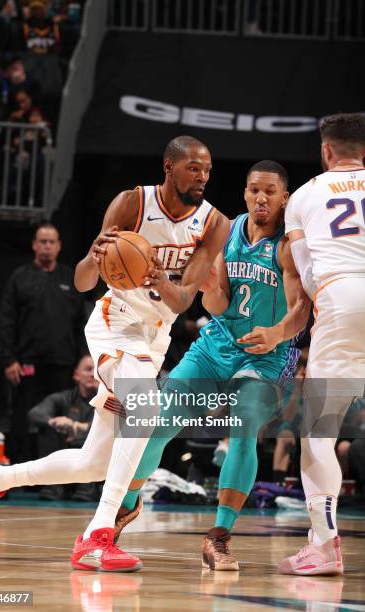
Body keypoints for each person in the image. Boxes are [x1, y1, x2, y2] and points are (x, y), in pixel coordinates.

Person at [0, 135, 231, 571]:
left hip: (153, 339)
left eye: (207, 170)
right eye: (194, 168)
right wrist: (99, 254)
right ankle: (97, 535)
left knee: (95, 462)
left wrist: (157, 276)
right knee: (144, 409)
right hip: (114, 323)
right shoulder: (131, 204)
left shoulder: (216, 223)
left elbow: (181, 302)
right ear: (169, 166)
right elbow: (85, 281)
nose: (202, 177)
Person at [113, 160, 311, 571]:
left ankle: (218, 538)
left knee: (243, 428)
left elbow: (300, 312)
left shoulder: (289, 244)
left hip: (268, 355)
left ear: (284, 197)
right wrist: (209, 288)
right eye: (255, 189)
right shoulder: (229, 230)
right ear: (244, 192)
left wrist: (276, 333)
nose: (262, 197)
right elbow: (217, 301)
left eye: (271, 191)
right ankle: (124, 508)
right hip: (217, 344)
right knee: (157, 424)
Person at [277, 112, 365, 576]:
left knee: (318, 431)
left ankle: (324, 546)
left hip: (343, 296)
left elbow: (306, 273)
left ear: (326, 150)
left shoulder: (306, 195)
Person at [0, 222, 86, 462]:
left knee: (61, 421)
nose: (47, 246)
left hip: (64, 364)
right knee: (22, 419)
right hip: (27, 365)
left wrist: (83, 359)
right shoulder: (20, 277)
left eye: (51, 242)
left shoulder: (70, 277)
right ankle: (18, 472)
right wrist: (9, 360)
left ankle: (57, 478)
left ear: (58, 246)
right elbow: (6, 321)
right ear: (34, 245)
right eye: (42, 241)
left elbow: (81, 324)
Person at [28, 354, 99, 501]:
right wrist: (54, 421)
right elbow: (35, 413)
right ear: (76, 375)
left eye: (96, 370)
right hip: (65, 452)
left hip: (91, 459)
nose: (93, 374)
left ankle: (87, 488)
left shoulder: (109, 400)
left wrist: (80, 427)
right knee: (48, 429)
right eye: (88, 369)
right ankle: (52, 486)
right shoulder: (63, 398)